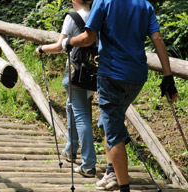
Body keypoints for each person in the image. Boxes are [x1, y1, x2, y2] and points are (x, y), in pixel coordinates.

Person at [62, 0, 178, 191]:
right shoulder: (145, 5)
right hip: (137, 77)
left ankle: (122, 186)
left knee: (113, 129)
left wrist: (68, 41)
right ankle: (111, 172)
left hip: (112, 75)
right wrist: (168, 76)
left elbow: (88, 38)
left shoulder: (104, 1)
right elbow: (157, 39)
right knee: (109, 120)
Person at [36, 0, 97, 178]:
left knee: (80, 114)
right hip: (94, 71)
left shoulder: (73, 17)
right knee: (72, 106)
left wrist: (41, 48)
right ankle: (71, 149)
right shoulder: (98, 15)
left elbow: (58, 46)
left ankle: (88, 164)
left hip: (76, 72)